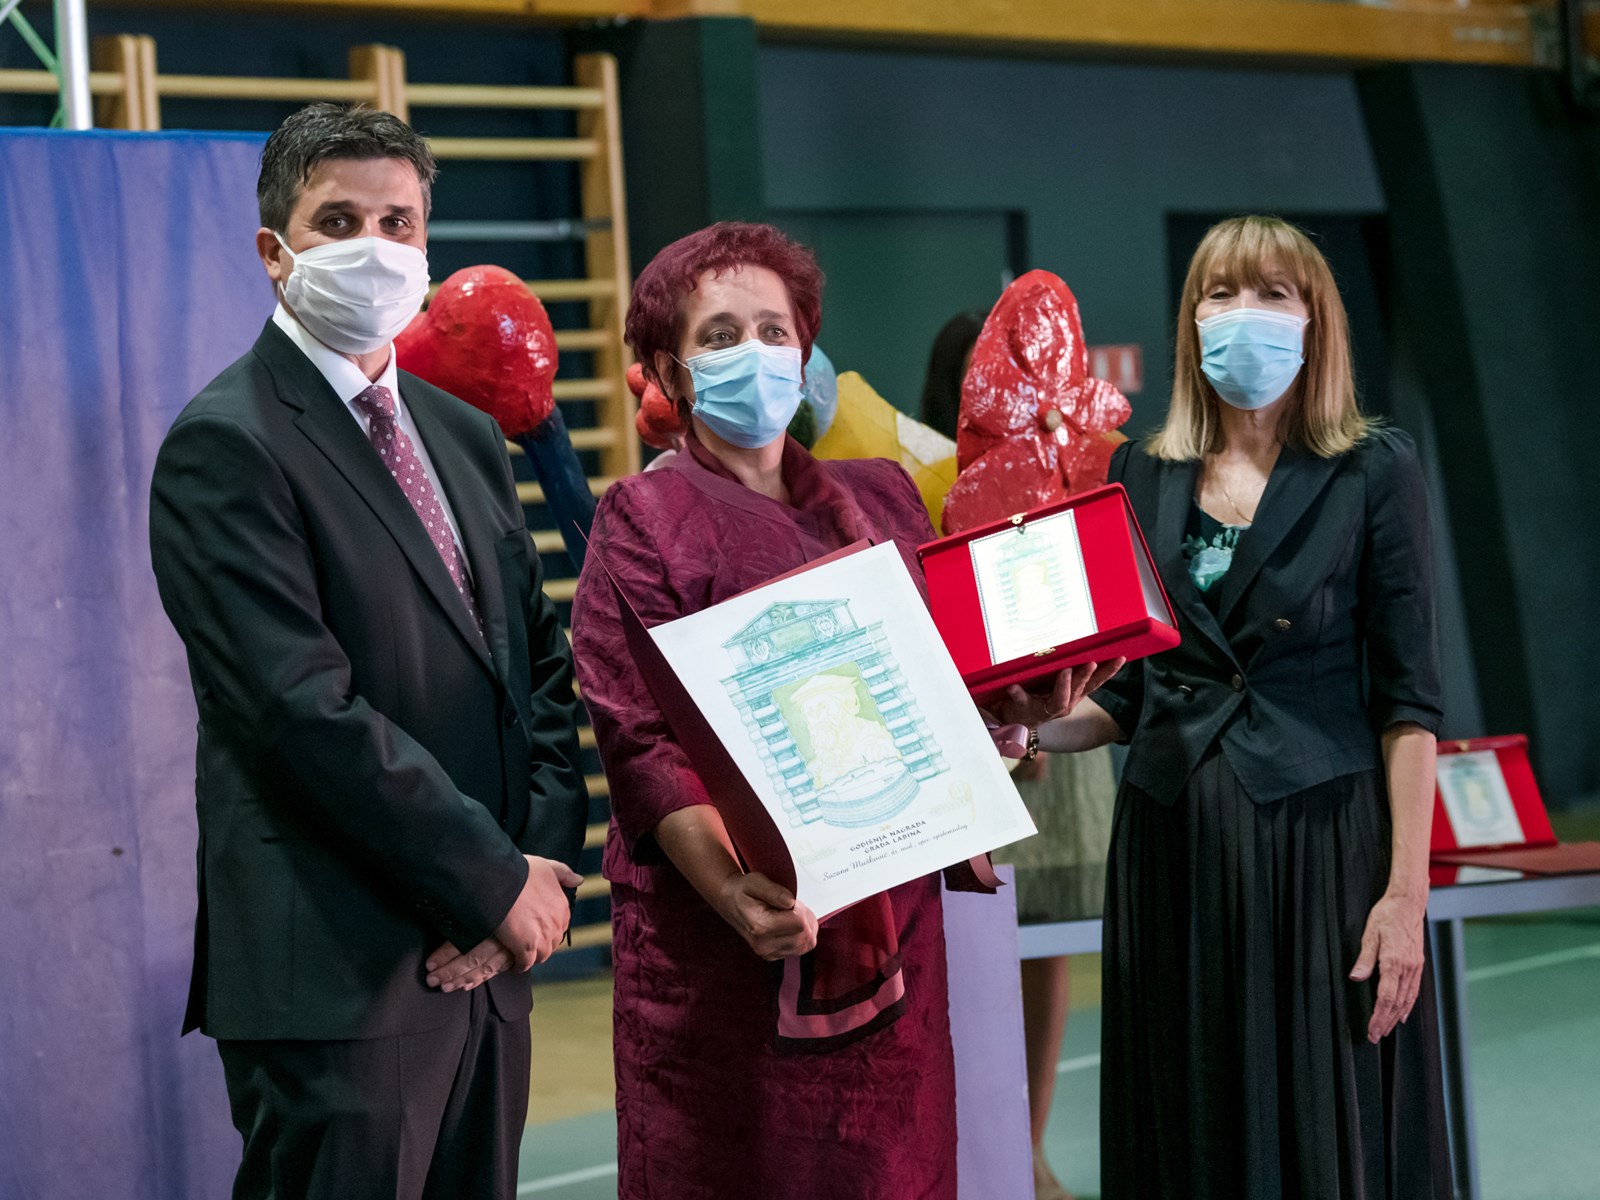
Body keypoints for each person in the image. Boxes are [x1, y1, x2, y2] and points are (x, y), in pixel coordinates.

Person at [571, 222, 1111, 1200]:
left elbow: (947, 701)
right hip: (732, 951)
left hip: (898, 943)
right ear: (671, 370)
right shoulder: (640, 520)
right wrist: (732, 892)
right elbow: (643, 745)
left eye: (773, 330)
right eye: (721, 334)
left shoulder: (888, 499)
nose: (754, 352)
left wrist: (1020, 710)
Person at [148, 103, 588, 1200]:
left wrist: (526, 877)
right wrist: (488, 883)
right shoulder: (226, 443)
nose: (375, 247)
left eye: (398, 223)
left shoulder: (464, 435)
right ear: (275, 250)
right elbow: (299, 713)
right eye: (338, 221)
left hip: (492, 960)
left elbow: (536, 670)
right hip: (339, 975)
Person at [1013, 215, 1452, 1197]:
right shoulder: (1140, 473)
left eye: (1271, 293)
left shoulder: (1374, 468)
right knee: (1190, 1122)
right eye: (1220, 293)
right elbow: (1127, 692)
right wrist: (1025, 720)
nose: (1242, 313)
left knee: (1319, 1124)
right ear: (1191, 320)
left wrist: (1404, 897)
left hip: (1320, 849)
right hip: (1170, 847)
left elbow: (1410, 701)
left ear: (1314, 320)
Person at [920, 305, 1117, 1200]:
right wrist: (994, 714)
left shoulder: (1077, 461)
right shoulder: (924, 475)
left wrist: (1048, 711)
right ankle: (982, 1150)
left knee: (1050, 944)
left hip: (1062, 737)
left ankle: (1029, 1148)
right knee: (973, 942)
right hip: (975, 742)